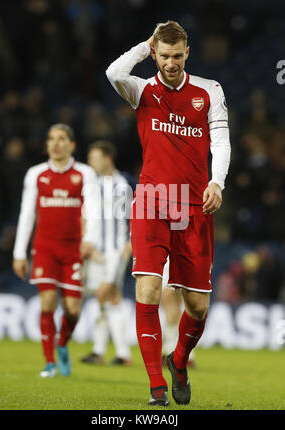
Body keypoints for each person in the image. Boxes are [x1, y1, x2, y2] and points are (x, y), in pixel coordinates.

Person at [106, 21, 231, 406]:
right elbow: (113, 72)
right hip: (152, 200)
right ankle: (156, 388)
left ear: (187, 53)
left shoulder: (209, 91)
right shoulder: (141, 90)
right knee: (148, 289)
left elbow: (221, 141)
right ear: (156, 53)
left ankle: (178, 361)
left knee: (197, 306)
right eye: (164, 55)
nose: (172, 63)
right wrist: (144, 46)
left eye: (177, 56)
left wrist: (217, 182)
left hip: (194, 205)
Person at [13, 124, 98, 378]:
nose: (55, 143)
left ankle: (62, 343)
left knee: (73, 309)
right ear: (47, 144)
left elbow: (92, 211)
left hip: (73, 250)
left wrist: (90, 239)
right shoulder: (35, 174)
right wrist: (19, 253)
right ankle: (49, 362)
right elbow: (27, 214)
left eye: (61, 139)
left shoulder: (85, 173)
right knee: (48, 304)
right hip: (45, 248)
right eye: (51, 139)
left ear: (71, 145)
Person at [80, 140, 132, 366]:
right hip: (96, 253)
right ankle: (101, 350)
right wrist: (88, 246)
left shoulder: (125, 184)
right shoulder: (91, 185)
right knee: (105, 300)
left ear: (108, 158)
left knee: (107, 295)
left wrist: (129, 248)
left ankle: (121, 353)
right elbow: (84, 218)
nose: (91, 161)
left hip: (116, 251)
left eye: (95, 157)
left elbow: (138, 219)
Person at [161, 259, 196, 368]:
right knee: (172, 301)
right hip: (169, 253)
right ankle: (175, 351)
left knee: (186, 301)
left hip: (186, 252)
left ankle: (179, 352)